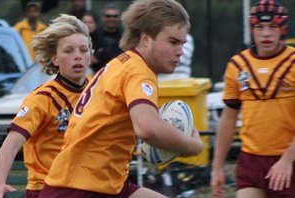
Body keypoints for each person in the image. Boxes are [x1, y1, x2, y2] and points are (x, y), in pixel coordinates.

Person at [39, 0, 203, 197]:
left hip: (101, 182)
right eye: (173, 42)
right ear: (145, 39)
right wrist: (192, 145)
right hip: (80, 188)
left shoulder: (122, 63)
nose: (180, 51)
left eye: (183, 43)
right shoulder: (138, 72)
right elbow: (147, 128)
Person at [0, 14, 91, 198]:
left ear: (90, 55)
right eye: (69, 51)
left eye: (83, 50)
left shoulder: (98, 91)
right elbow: (11, 145)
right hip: (46, 190)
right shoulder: (42, 98)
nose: (77, 56)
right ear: (55, 59)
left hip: (88, 187)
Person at [210, 1, 295, 198]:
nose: (266, 34)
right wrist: (217, 168)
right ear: (252, 29)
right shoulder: (238, 65)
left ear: (282, 29)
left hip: (288, 158)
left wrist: (287, 160)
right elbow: (229, 118)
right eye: (259, 27)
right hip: (251, 160)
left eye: (272, 27)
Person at [92, 3, 123, 73]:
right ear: (102, 17)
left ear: (119, 18)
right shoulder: (94, 35)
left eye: (115, 16)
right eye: (108, 16)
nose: (111, 19)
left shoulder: (125, 37)